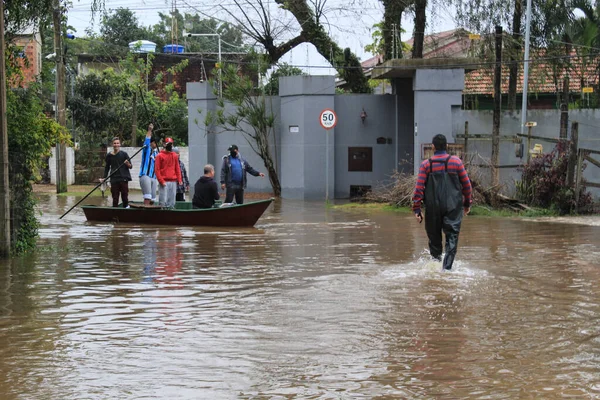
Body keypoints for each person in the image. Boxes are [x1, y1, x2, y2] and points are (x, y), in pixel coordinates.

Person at [412, 134, 472, 270]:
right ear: (447, 146)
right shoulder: (456, 162)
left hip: (432, 208)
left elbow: (419, 188)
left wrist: (417, 209)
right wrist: (467, 204)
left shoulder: (426, 165)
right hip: (453, 207)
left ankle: (435, 267)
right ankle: (447, 270)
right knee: (452, 238)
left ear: (433, 147)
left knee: (434, 241)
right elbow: (467, 186)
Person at [101, 137, 132, 208]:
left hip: (123, 178)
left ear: (120, 144)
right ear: (112, 144)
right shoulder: (109, 155)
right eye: (115, 143)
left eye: (117, 143)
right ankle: (115, 215)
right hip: (114, 179)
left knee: (124, 197)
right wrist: (104, 178)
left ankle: (126, 211)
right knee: (115, 198)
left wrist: (127, 164)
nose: (116, 145)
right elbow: (107, 167)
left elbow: (130, 166)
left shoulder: (124, 154)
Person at [154, 137, 182, 208]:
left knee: (172, 202)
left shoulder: (174, 155)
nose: (170, 146)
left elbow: (177, 168)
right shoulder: (159, 156)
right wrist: (161, 181)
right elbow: (157, 170)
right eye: (169, 144)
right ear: (164, 144)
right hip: (164, 181)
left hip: (173, 181)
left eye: (171, 144)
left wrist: (179, 179)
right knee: (163, 201)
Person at [139, 123, 159, 205]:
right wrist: (150, 130)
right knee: (147, 196)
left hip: (154, 177)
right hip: (145, 175)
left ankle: (151, 214)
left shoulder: (158, 154)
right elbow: (147, 141)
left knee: (153, 199)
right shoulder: (147, 150)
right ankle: (145, 213)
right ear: (153, 143)